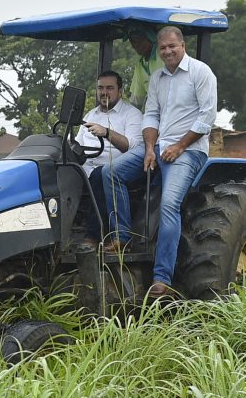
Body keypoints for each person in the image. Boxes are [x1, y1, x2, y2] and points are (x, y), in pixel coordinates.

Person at [102, 26, 217, 297]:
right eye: (163, 48)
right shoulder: (157, 78)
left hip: (189, 151)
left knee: (168, 205)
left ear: (182, 45)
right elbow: (151, 115)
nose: (167, 51)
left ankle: (162, 276)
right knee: (111, 173)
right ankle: (122, 237)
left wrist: (179, 146)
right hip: (159, 147)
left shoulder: (201, 73)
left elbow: (206, 117)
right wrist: (150, 148)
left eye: (172, 46)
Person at [74, 70, 143, 246]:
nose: (104, 92)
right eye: (100, 88)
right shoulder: (90, 115)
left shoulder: (132, 114)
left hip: (116, 170)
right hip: (86, 167)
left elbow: (133, 146)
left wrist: (106, 132)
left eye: (110, 88)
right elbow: (76, 144)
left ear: (120, 91)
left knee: (100, 174)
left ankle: (93, 236)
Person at [126, 29, 164, 110]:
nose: (134, 44)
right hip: (153, 114)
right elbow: (136, 100)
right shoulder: (140, 65)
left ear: (151, 38)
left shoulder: (164, 56)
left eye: (138, 39)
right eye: (131, 40)